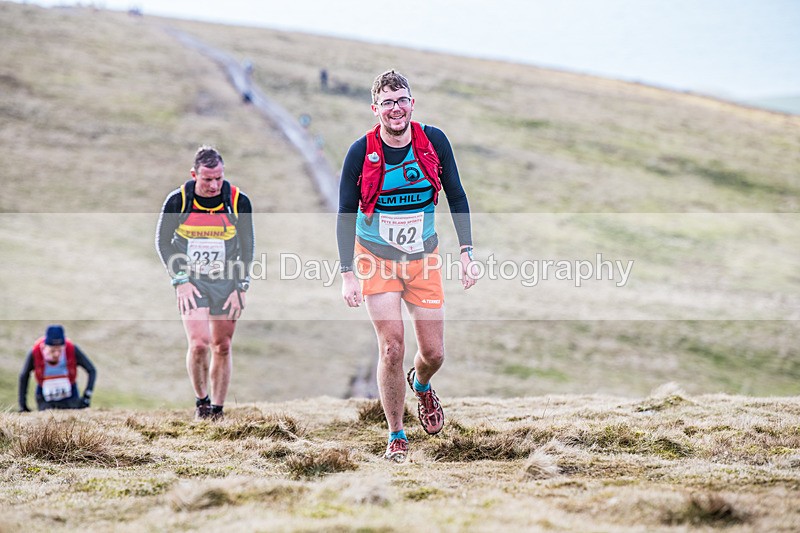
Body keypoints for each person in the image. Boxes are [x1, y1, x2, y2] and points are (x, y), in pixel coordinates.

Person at [336, 70, 477, 462]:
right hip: (375, 259)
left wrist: (467, 251)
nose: (395, 109)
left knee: (434, 353)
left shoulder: (434, 142)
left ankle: (422, 383)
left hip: (423, 259)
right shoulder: (360, 153)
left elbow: (457, 195)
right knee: (392, 348)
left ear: (411, 104)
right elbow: (346, 213)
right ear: (375, 108)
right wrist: (347, 273)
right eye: (387, 103)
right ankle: (396, 434)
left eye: (402, 101)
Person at [155, 146, 255, 421]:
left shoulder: (237, 201)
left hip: (226, 281)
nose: (213, 185)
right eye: (207, 179)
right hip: (192, 281)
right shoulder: (179, 200)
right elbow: (163, 241)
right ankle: (202, 403)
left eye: (218, 179)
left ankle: (218, 411)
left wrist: (241, 287)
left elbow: (247, 246)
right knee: (199, 343)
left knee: (221, 346)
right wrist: (180, 281)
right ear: (194, 174)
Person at [18, 324, 97, 412]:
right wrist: (22, 405)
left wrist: (87, 396)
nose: (56, 354)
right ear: (45, 346)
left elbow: (92, 370)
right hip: (46, 399)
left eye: (60, 350)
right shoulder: (35, 353)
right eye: (52, 350)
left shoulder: (71, 349)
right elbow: (23, 376)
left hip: (70, 398)